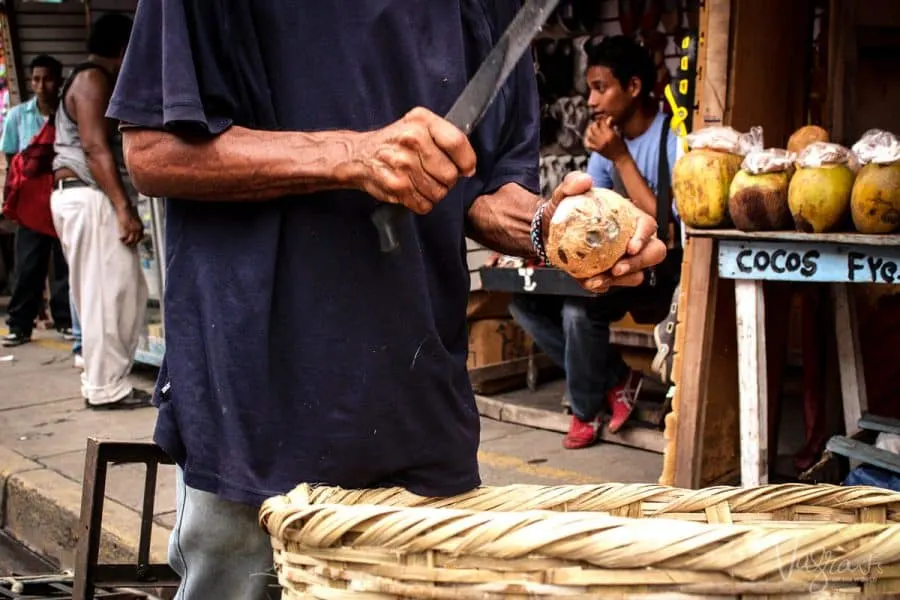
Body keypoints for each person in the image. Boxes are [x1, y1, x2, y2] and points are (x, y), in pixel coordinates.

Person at [108, 4, 667, 598]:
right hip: (256, 398)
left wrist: (555, 227)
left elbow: (479, 191)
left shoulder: (500, 10)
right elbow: (154, 151)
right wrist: (351, 155)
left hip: (417, 399)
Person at [510, 35, 681, 450]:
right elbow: (594, 213)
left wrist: (621, 156)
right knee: (523, 303)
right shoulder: (604, 145)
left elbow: (669, 227)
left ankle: (585, 412)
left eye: (600, 87)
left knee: (576, 311)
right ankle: (616, 379)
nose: (590, 100)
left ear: (634, 87)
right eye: (588, 88)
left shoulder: (670, 138)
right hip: (613, 261)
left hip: (660, 269)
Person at [50, 14, 150, 409]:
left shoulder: (88, 78)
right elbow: (95, 148)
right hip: (90, 197)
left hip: (81, 197)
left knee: (113, 293)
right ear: (125, 49)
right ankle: (106, 388)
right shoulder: (93, 80)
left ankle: (105, 381)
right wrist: (123, 208)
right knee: (110, 295)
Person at [2, 54, 72, 347]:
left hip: (62, 194)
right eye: (36, 79)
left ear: (59, 82)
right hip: (32, 202)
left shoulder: (67, 113)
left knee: (65, 264)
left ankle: (66, 320)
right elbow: (11, 156)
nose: (41, 85)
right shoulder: (18, 116)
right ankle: (19, 325)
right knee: (28, 265)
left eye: (47, 79)